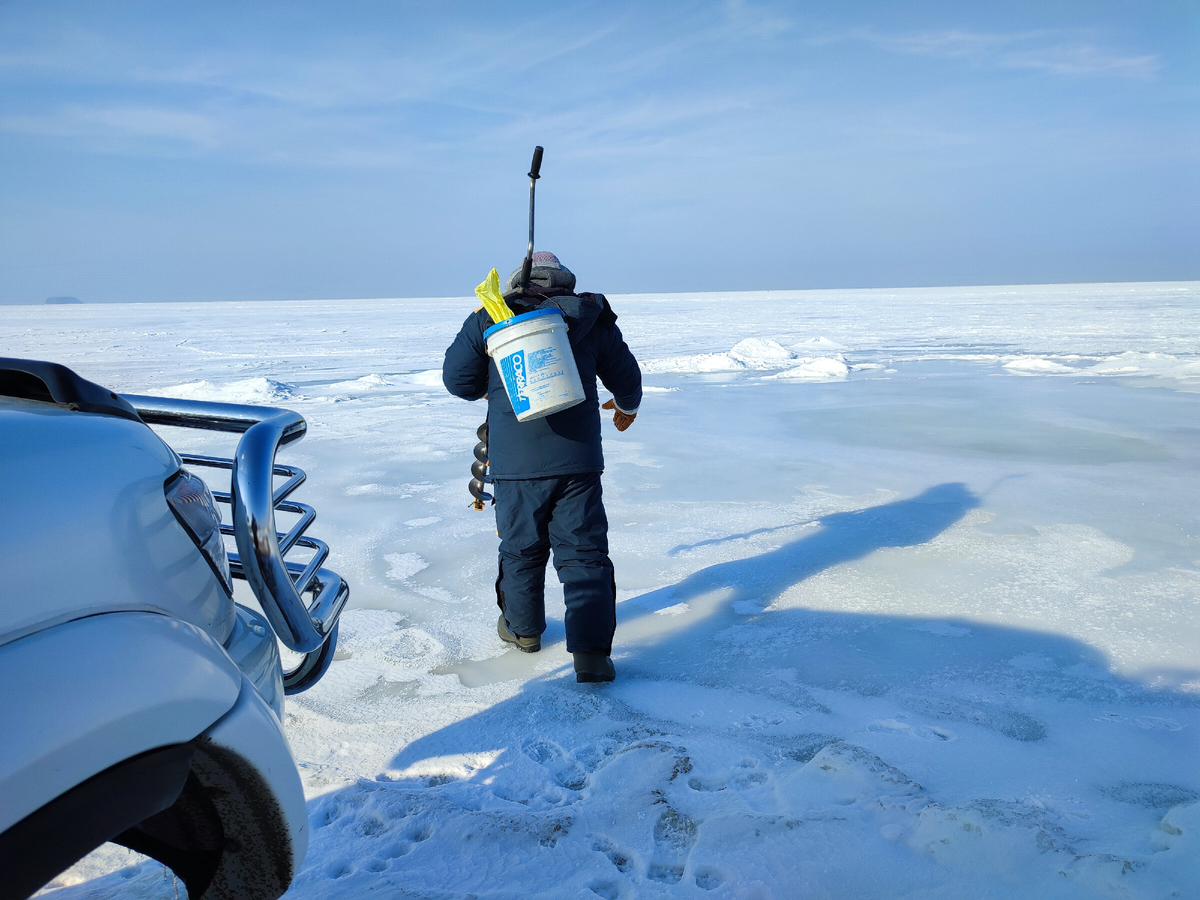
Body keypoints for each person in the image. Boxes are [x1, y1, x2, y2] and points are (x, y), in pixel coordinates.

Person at [442, 252, 642, 683]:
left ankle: (523, 632)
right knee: (584, 554)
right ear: (565, 282)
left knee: (520, 550)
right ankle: (590, 656)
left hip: (516, 464)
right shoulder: (589, 314)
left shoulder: (493, 316)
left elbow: (458, 381)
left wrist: (487, 377)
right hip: (578, 461)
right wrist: (626, 407)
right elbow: (627, 379)